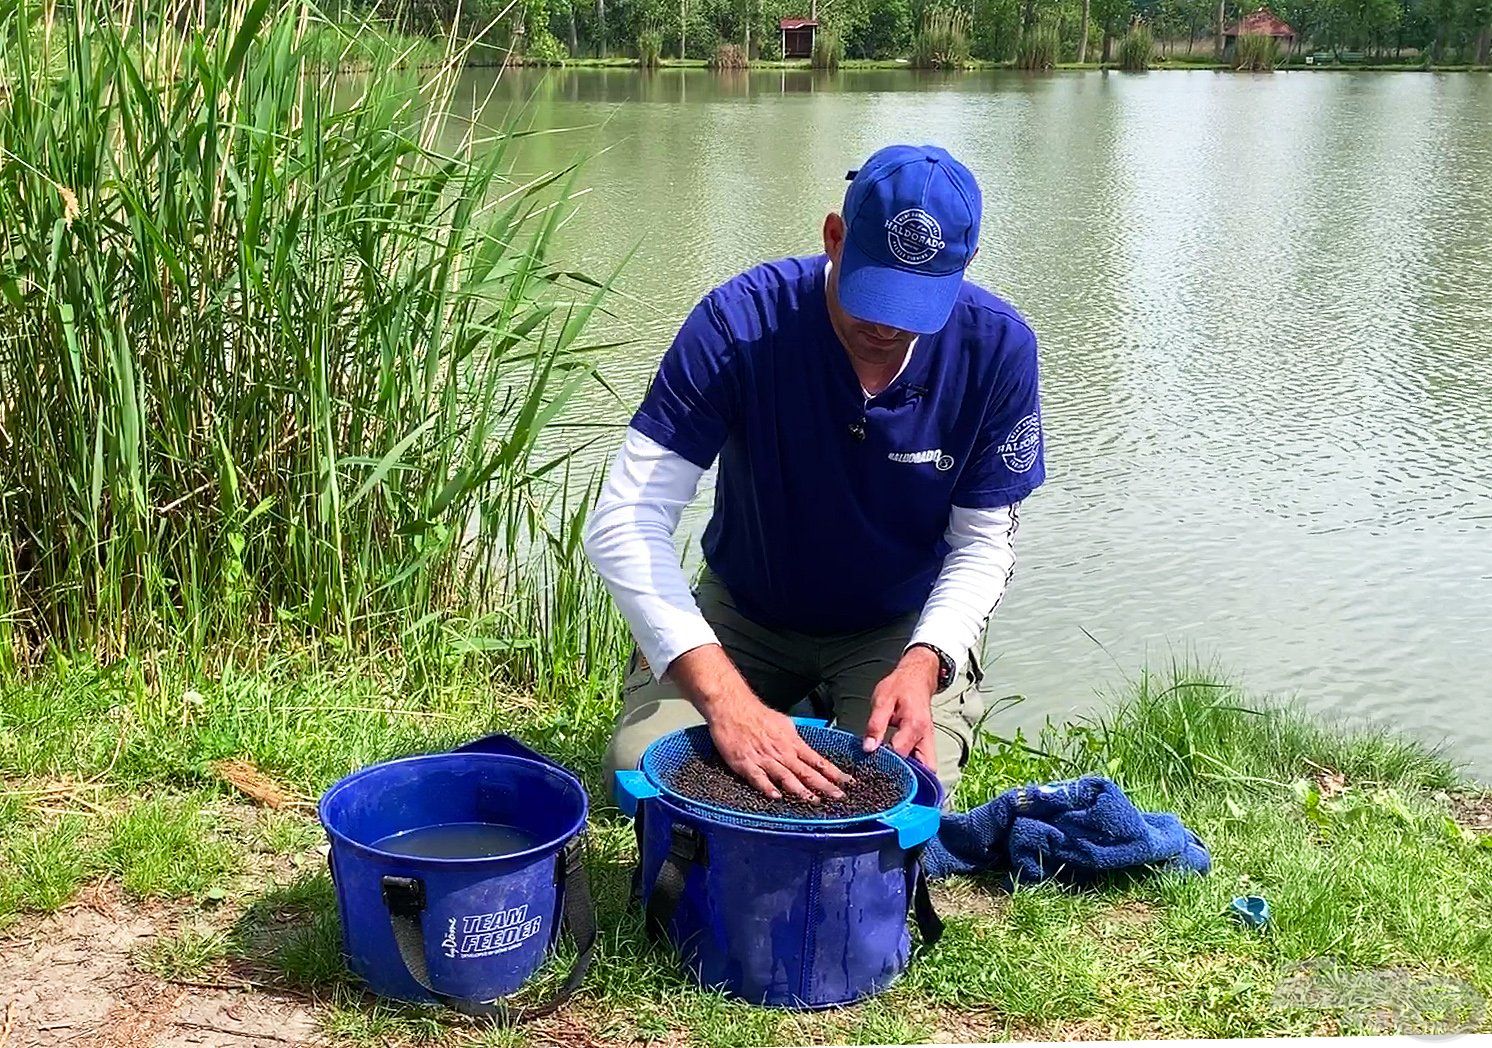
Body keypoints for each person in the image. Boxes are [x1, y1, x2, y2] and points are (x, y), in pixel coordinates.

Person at [583, 144, 1045, 803]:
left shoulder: (998, 349)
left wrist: (925, 661)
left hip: (897, 622)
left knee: (899, 791)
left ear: (964, 267)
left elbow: (982, 543)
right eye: (873, 295)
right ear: (834, 237)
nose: (886, 327)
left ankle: (865, 697)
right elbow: (624, 521)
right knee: (644, 768)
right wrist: (724, 701)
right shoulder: (736, 325)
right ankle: (765, 699)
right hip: (747, 608)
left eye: (913, 306)